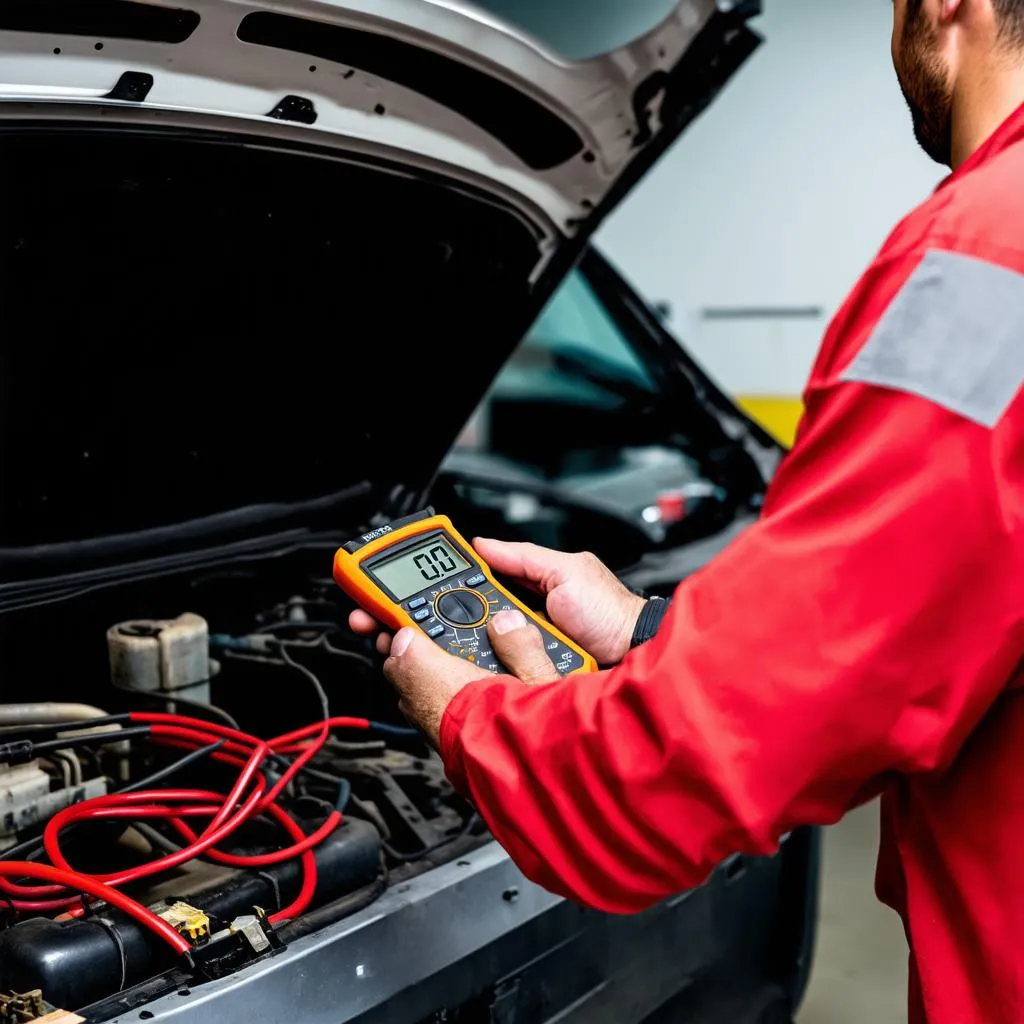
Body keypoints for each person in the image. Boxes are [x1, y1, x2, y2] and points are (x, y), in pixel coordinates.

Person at [350, 1, 1024, 1020]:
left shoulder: (990, 257)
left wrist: (478, 720)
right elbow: (944, 626)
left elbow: (725, 748)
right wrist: (648, 631)